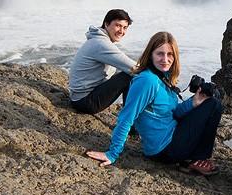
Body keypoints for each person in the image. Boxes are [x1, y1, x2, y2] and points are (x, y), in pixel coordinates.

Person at [85, 31, 223, 176]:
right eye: (160, 54)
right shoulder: (147, 81)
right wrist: (112, 153)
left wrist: (194, 102)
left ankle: (193, 157)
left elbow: (173, 113)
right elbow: (126, 117)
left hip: (172, 136)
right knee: (213, 105)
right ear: (150, 54)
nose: (165, 59)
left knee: (207, 101)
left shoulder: (164, 77)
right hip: (165, 149)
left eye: (170, 54)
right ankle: (196, 159)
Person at [68, 9, 136, 114]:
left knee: (129, 75)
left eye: (125, 27)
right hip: (85, 102)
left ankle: (131, 119)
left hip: (80, 97)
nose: (121, 31)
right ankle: (130, 122)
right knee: (129, 76)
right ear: (106, 24)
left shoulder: (98, 40)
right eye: (118, 25)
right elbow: (133, 67)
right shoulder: (100, 44)